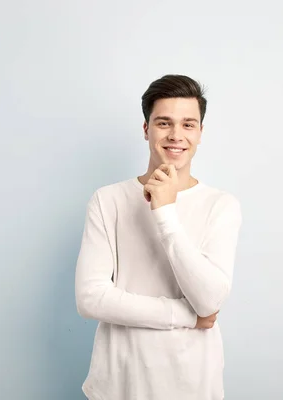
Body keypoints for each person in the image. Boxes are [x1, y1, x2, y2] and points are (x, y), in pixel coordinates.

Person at [75, 74, 242, 400]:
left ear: (200, 133)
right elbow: (90, 298)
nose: (176, 135)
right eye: (164, 123)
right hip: (118, 385)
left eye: (188, 125)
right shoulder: (107, 200)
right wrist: (188, 317)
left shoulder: (221, 206)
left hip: (192, 385)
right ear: (146, 129)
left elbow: (209, 300)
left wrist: (164, 214)